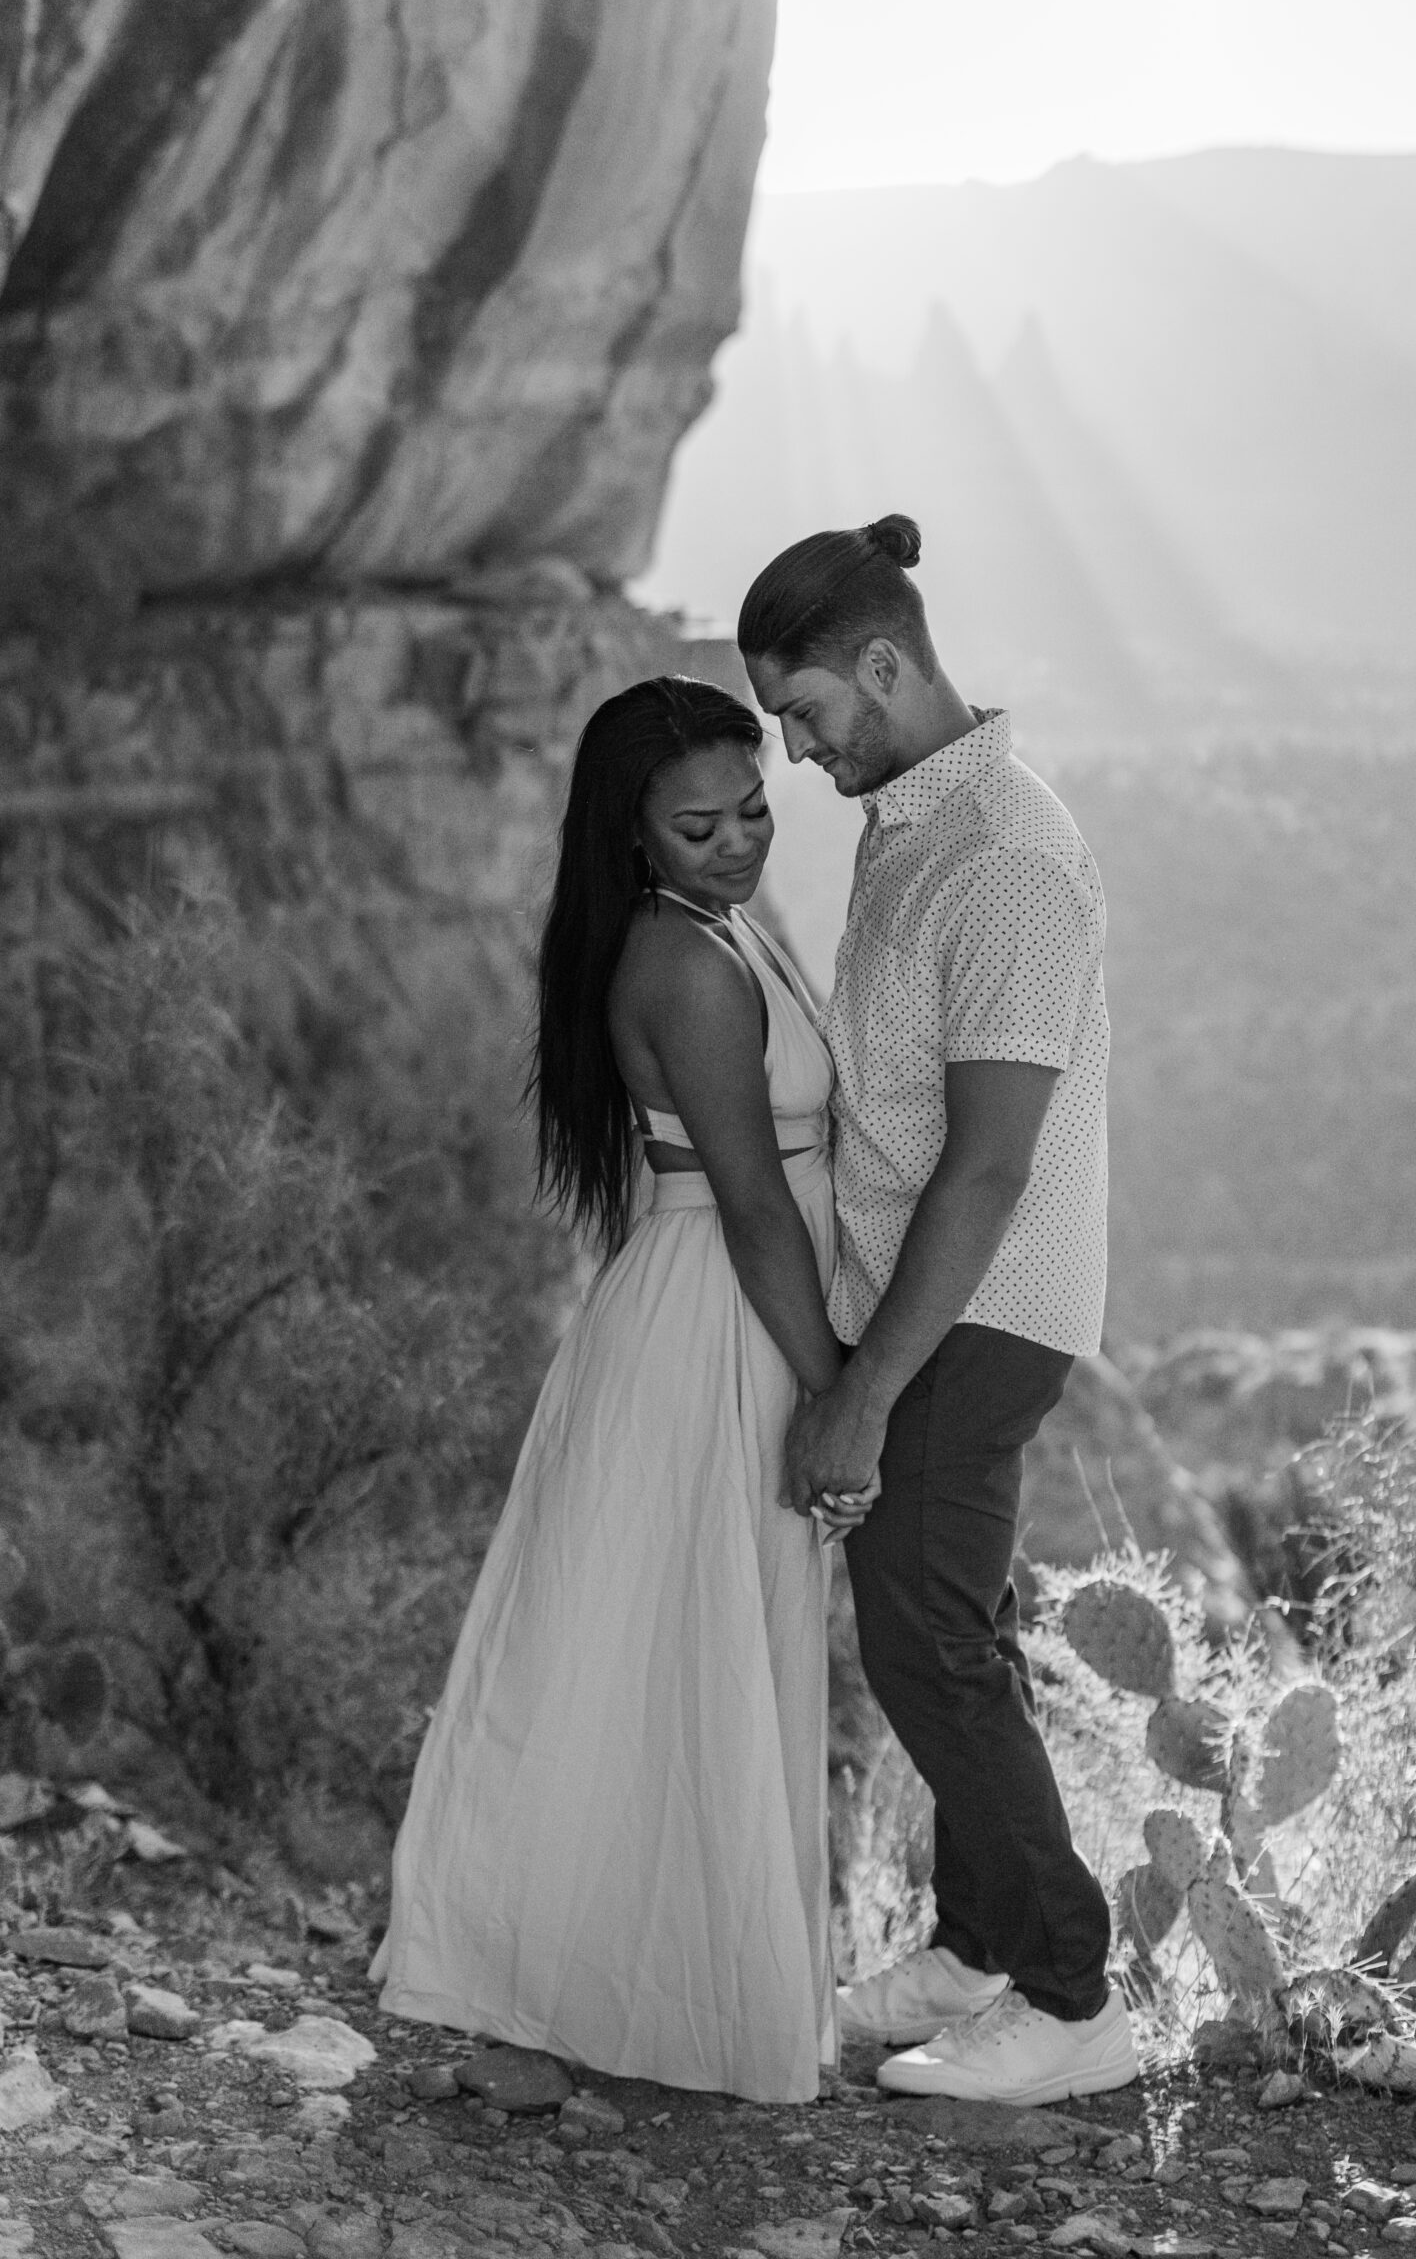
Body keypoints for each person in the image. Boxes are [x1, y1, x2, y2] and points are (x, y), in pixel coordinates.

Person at [371, 675, 857, 2103]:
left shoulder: (722, 928)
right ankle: (584, 1995)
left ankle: (664, 2002)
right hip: (721, 1325)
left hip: (730, 1313)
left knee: (693, 1653)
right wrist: (842, 1398)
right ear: (633, 837)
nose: (738, 840)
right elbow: (762, 1209)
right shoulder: (687, 963)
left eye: (753, 806)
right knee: (665, 1651)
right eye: (697, 825)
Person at [740, 517, 1138, 2108]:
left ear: (884, 666)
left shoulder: (1009, 861)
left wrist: (861, 1392)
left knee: (923, 1647)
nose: (797, 752)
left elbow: (983, 1173)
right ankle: (975, 1951)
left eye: (809, 714)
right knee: (949, 1631)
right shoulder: (919, 824)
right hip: (926, 1299)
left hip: (971, 1309)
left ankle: (1069, 1995)